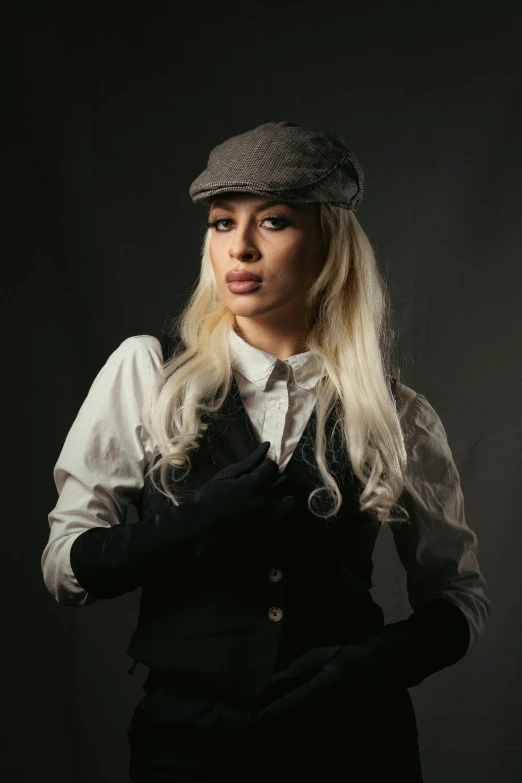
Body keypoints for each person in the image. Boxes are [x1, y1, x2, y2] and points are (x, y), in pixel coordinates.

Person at [42, 120, 491, 782]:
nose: (240, 248)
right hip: (187, 746)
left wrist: (372, 664)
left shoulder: (396, 412)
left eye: (274, 221)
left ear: (328, 243)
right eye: (223, 222)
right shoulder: (148, 374)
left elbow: (460, 596)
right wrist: (191, 525)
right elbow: (65, 567)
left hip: (353, 744)